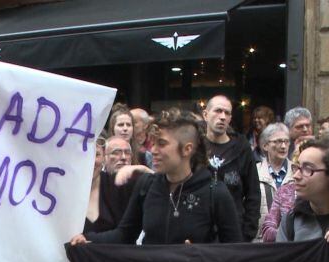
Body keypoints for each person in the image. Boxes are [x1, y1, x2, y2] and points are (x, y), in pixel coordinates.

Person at [70, 107, 242, 246]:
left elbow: (234, 252)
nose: (153, 150)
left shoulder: (215, 192)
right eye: (153, 144)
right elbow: (125, 234)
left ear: (187, 149)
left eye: (162, 144)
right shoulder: (147, 185)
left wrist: (200, 254)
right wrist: (88, 238)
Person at [202, 95, 261, 242]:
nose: (222, 117)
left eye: (227, 113)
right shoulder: (196, 146)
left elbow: (253, 192)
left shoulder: (242, 148)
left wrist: (248, 232)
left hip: (234, 231)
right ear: (205, 114)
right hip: (201, 230)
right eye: (218, 111)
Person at [255, 123, 293, 242]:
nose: (283, 146)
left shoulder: (298, 172)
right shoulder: (254, 172)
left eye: (286, 142)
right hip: (260, 242)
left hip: (290, 242)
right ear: (265, 145)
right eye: (277, 141)